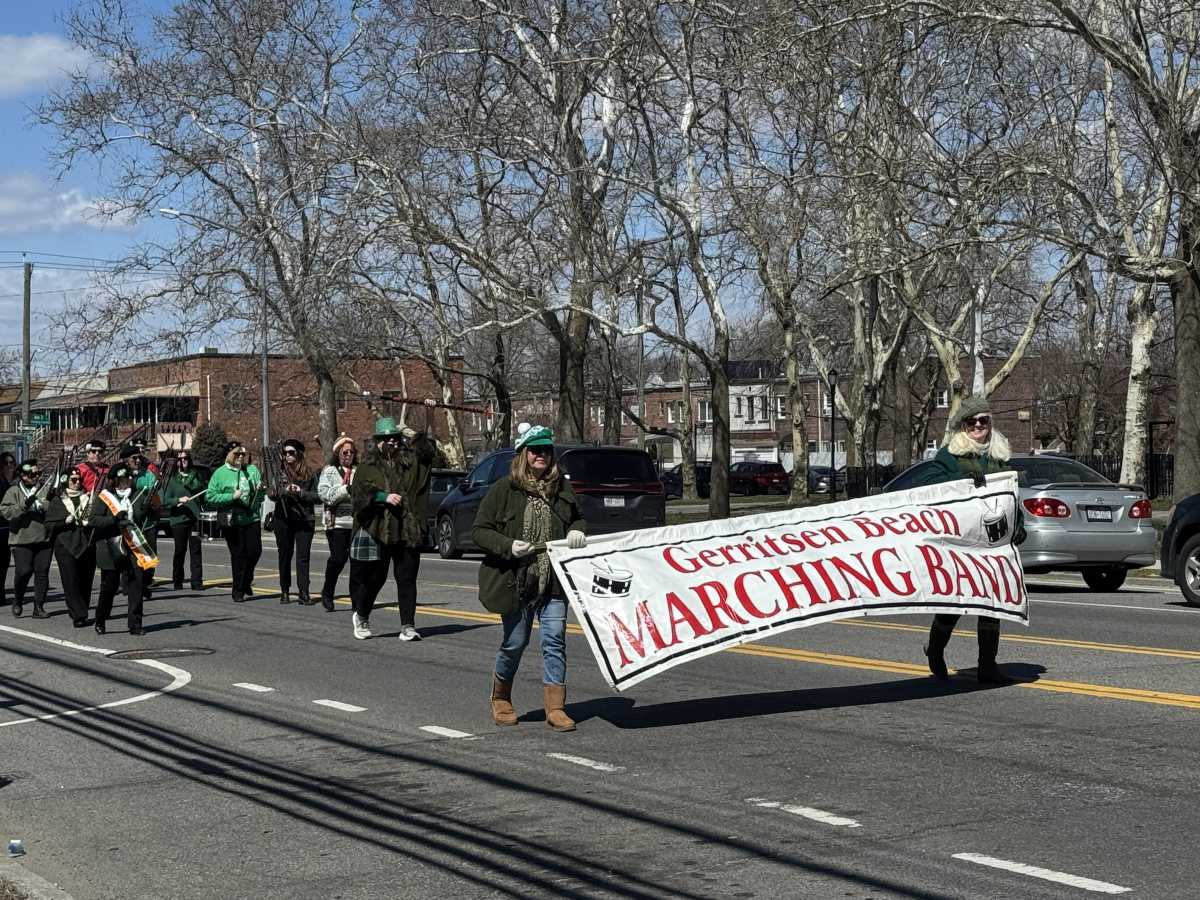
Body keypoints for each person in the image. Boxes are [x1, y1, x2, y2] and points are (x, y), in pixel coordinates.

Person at [472, 423, 587, 732]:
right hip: (517, 583)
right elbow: (479, 531)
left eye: (547, 450)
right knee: (515, 642)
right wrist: (508, 545)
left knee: (554, 641)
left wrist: (578, 530)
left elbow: (578, 517)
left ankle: (556, 707)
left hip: (553, 584)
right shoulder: (504, 489)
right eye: (536, 450)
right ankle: (501, 698)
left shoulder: (561, 487)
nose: (542, 455)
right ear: (523, 454)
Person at [916, 395, 1021, 684]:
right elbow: (926, 486)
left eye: (983, 421)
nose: (978, 426)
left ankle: (987, 665)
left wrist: (1018, 525)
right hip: (960, 542)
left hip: (994, 541)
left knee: (993, 603)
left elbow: (1013, 497)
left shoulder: (1000, 455)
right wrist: (962, 485)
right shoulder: (950, 455)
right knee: (955, 602)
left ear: (990, 422)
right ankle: (935, 649)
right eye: (972, 421)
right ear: (963, 426)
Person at [349, 408, 435, 642]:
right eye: (386, 439)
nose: (391, 443)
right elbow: (357, 494)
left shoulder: (410, 461)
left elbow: (428, 451)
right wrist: (382, 497)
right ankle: (362, 615)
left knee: (406, 578)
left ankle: (408, 625)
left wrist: (429, 414)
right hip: (379, 529)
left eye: (395, 438)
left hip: (408, 530)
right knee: (374, 579)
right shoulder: (368, 465)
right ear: (377, 442)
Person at [91, 464, 158, 636]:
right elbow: (94, 520)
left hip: (132, 546)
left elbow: (145, 518)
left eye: (128, 478)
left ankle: (135, 624)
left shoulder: (137, 495)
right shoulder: (105, 497)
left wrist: (153, 506)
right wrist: (114, 520)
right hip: (112, 545)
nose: (126, 482)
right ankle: (101, 618)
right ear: (114, 481)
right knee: (110, 586)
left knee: (137, 583)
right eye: (122, 479)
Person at [206, 442, 264, 603]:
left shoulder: (251, 470)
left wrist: (261, 489)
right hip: (232, 520)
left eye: (242, 455)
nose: (240, 457)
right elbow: (210, 497)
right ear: (229, 455)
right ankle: (238, 590)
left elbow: (260, 496)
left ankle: (246, 580)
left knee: (255, 551)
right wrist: (230, 497)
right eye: (236, 454)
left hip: (251, 517)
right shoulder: (220, 473)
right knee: (238, 555)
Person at [0, 460, 53, 619]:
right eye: (32, 474)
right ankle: (18, 599)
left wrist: (43, 505)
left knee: (42, 572)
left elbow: (52, 507)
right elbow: (6, 512)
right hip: (21, 538)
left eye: (38, 473)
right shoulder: (13, 491)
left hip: (44, 538)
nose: (36, 477)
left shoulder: (44, 489)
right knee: (24, 571)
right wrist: (24, 505)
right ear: (22, 476)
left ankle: (39, 607)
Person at [269, 438, 319, 605]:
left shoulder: (309, 474)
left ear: (298, 454)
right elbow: (271, 493)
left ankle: (303, 592)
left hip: (304, 519)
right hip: (283, 518)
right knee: (284, 555)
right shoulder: (278, 473)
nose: (288, 456)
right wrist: (282, 490)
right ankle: (284, 590)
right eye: (285, 453)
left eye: (291, 452)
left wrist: (300, 492)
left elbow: (318, 497)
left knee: (303, 557)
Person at [44, 466, 96, 627]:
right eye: (74, 480)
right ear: (66, 481)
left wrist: (91, 522)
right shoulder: (58, 500)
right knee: (70, 580)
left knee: (85, 579)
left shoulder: (88, 498)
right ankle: (78, 614)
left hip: (86, 543)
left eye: (79, 480)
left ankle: (83, 608)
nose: (77, 483)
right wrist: (64, 522)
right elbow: (49, 524)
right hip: (65, 545)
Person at [317, 434, 357, 612]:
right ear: (338, 454)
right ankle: (328, 591)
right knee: (338, 559)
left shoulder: (359, 471)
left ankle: (356, 598)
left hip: (356, 524)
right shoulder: (329, 471)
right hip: (337, 523)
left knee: (357, 563)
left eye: (352, 452)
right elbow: (325, 494)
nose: (349, 455)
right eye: (345, 452)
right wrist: (345, 490)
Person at [161, 449, 206, 590]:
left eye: (186, 458)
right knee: (180, 550)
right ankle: (177, 580)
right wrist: (178, 500)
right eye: (180, 459)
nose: (183, 461)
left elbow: (203, 495)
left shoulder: (196, 476)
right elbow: (165, 500)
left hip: (194, 519)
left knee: (196, 550)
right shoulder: (172, 479)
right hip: (178, 520)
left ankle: (197, 581)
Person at [0, 452, 15, 607]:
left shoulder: (9, 482)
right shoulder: (1, 483)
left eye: (12, 463)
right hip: (1, 527)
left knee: (4, 562)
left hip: (6, 529)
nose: (10, 466)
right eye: (6, 463)